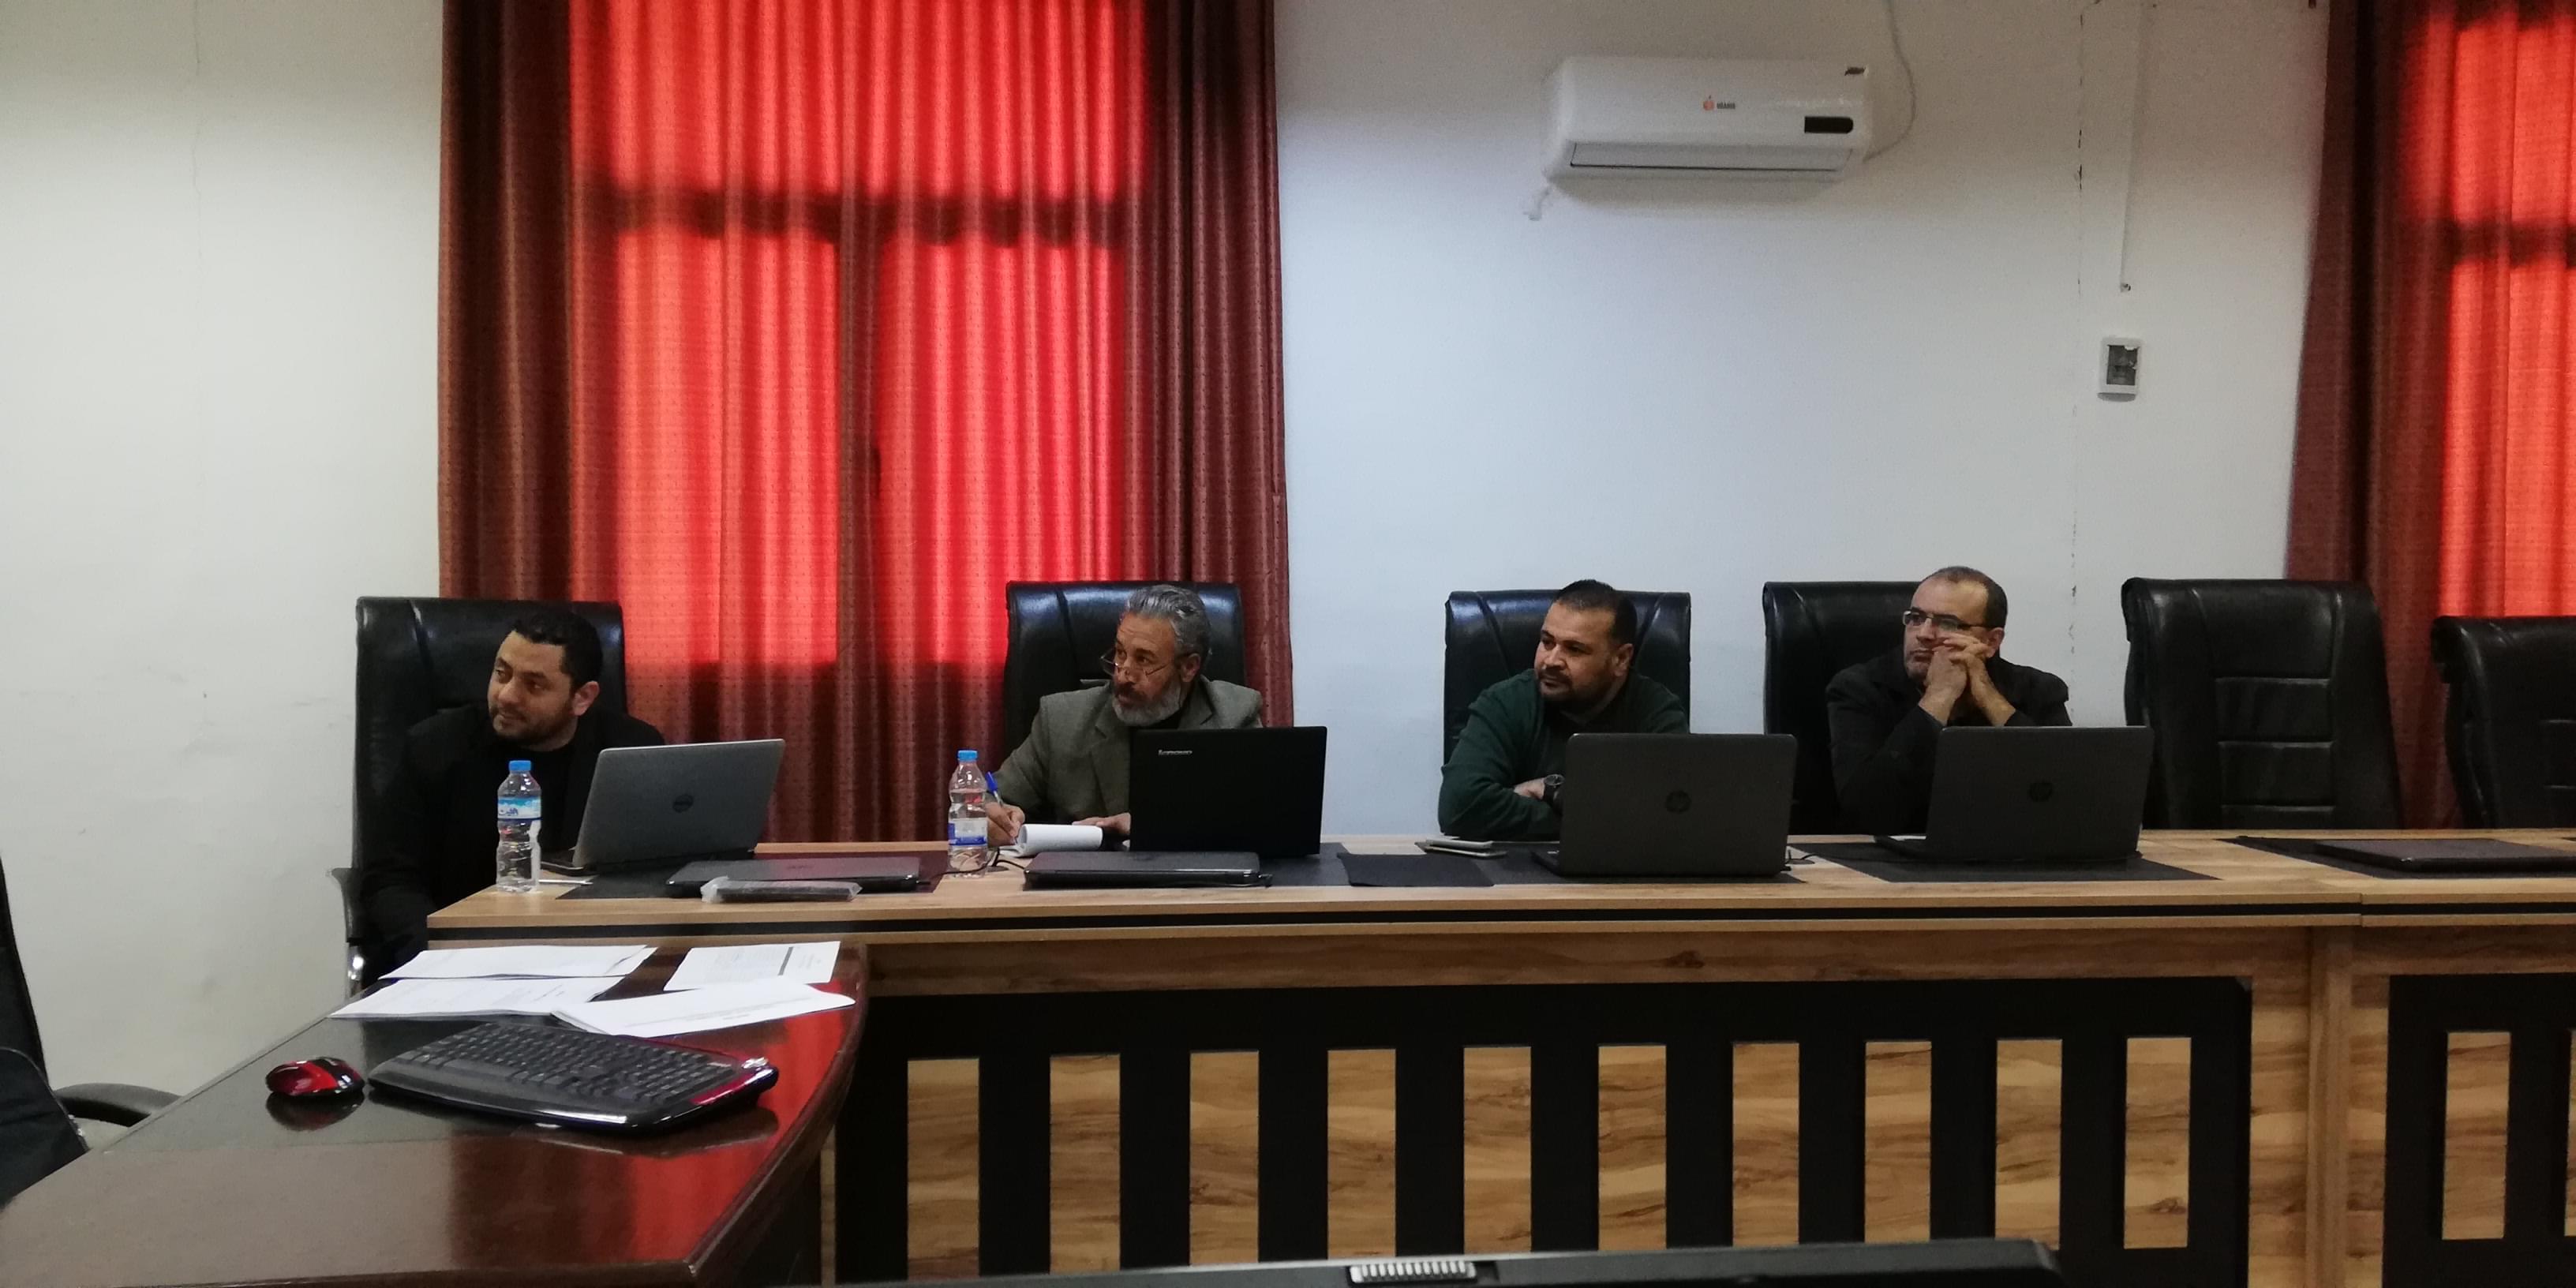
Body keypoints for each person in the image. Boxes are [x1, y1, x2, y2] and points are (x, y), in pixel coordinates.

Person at [361, 608, 663, 971]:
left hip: (593, 955)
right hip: (462, 956)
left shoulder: (631, 749)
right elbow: (391, 881)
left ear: (582, 698)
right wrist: (440, 958)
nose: (506, 696)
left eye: (533, 685)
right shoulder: (433, 748)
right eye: (501, 673)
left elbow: (658, 869)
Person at [989, 584, 1263, 843]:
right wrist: (992, 817)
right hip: (1086, 875)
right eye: (1120, 654)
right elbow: (987, 800)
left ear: (1189, 667)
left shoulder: (1234, 717)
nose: (1122, 675)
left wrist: (1149, 825)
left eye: (1143, 660)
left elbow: (1262, 818)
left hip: (1196, 877)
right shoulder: (1061, 719)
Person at [1825, 566, 2071, 834]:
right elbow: (1866, 812)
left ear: (1991, 641)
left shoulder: (2039, 690)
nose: (1924, 634)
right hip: (1891, 852)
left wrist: (1990, 699)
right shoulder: (1859, 688)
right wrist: (1939, 697)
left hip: (2009, 848)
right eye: (1916, 618)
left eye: (1947, 624)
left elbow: (2066, 799)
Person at [1438, 579, 1688, 841]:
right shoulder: (1505, 702)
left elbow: (1676, 814)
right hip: (1515, 864)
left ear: (1621, 659)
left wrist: (1544, 794)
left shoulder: (1656, 711)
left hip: (1624, 867)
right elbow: (1460, 807)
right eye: (1547, 642)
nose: (1552, 660)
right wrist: (1595, 814)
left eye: (1575, 649)